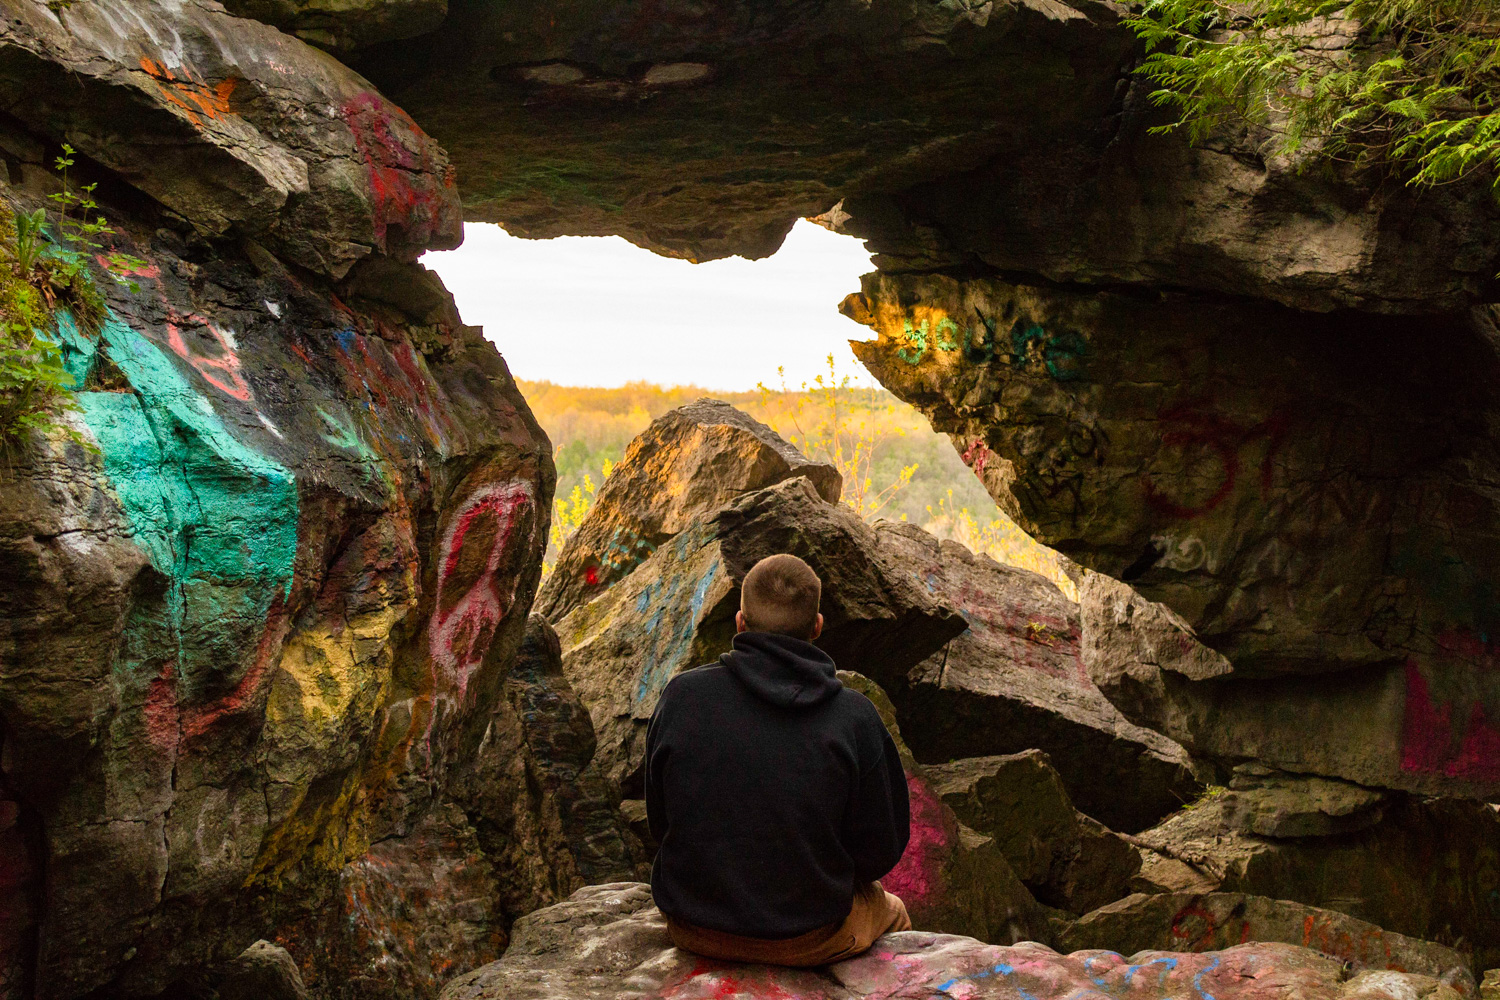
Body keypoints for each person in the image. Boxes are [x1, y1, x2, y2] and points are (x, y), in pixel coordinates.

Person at [644, 553, 912, 966]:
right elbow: (881, 850)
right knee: (893, 910)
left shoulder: (681, 697)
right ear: (817, 627)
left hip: (694, 928)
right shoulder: (854, 717)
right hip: (810, 936)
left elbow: (660, 822)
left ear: (740, 622)